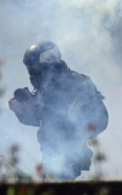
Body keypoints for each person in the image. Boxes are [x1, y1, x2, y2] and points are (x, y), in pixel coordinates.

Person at [7, 41, 108, 180]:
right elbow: (44, 120)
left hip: (69, 154)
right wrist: (22, 112)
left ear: (49, 64)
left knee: (57, 194)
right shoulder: (45, 88)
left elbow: (60, 116)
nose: (32, 73)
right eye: (30, 69)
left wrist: (34, 107)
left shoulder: (73, 83)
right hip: (53, 154)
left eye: (35, 68)